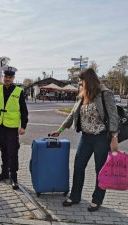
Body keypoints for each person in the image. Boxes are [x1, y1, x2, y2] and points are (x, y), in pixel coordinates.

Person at [50, 68, 119, 212]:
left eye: (81, 80)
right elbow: (72, 115)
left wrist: (114, 137)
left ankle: (97, 200)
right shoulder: (83, 95)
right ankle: (75, 196)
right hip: (86, 137)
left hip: (102, 137)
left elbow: (113, 116)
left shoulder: (105, 94)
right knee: (78, 166)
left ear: (89, 80)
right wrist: (60, 130)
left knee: (100, 170)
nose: (80, 83)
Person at [0, 66, 28, 190]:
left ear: (13, 78)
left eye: (10, 77)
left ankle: (13, 177)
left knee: (12, 152)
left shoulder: (19, 92)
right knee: (3, 150)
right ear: (2, 77)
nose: (7, 79)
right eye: (5, 77)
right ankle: (4, 173)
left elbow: (24, 111)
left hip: (12, 127)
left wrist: (23, 126)